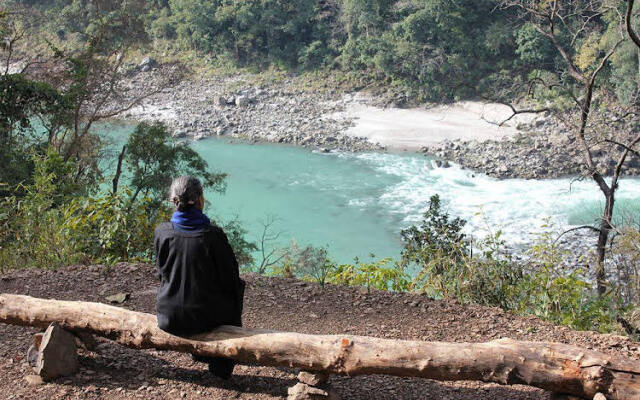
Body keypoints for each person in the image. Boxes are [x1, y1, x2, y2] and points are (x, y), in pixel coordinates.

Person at [154, 176, 245, 379]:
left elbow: (161, 272)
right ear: (201, 200)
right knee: (235, 289)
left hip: (168, 315)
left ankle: (201, 354)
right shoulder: (212, 236)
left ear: (173, 201)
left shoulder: (162, 232)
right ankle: (220, 365)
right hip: (203, 318)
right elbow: (230, 278)